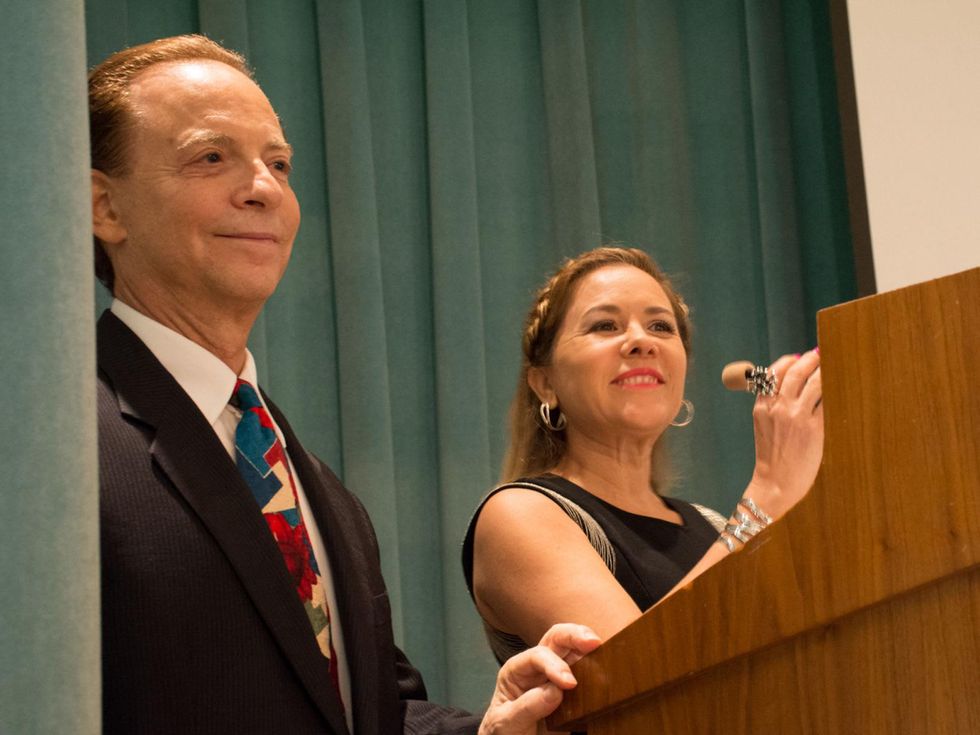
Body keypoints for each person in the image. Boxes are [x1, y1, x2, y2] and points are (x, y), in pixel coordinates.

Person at [90, 34, 600, 734]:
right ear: (104, 207)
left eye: (278, 163)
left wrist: (493, 728)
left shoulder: (316, 486)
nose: (264, 188)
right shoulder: (51, 454)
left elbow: (372, 712)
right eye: (211, 157)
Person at [463, 247, 823, 661]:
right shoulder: (519, 514)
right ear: (545, 384)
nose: (641, 341)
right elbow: (637, 675)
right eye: (605, 325)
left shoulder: (713, 525)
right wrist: (771, 490)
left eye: (660, 326)